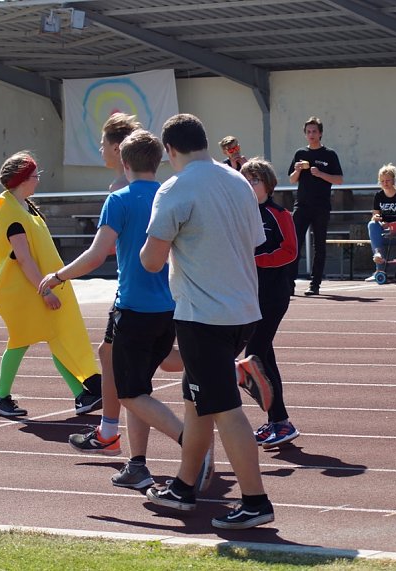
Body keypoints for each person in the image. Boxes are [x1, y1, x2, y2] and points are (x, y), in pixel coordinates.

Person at [40, 130, 199, 490]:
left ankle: (191, 444)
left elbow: (97, 254)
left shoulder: (120, 199)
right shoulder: (169, 195)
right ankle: (136, 462)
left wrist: (58, 275)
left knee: (131, 392)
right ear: (158, 160)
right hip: (168, 306)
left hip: (135, 306)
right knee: (135, 383)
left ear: (124, 163)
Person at [140, 113, 274, 530]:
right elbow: (255, 239)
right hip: (243, 310)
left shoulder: (175, 188)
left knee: (223, 409)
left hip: (204, 316)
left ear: (170, 150)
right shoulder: (237, 181)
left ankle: (255, 501)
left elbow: (152, 259)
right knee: (195, 401)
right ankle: (183, 486)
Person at [0, 151, 102, 418]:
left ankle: (81, 395)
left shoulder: (24, 207)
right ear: (23, 179)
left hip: (31, 287)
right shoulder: (12, 214)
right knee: (20, 341)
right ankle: (0, 398)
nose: (38, 180)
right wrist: (45, 289)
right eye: (35, 175)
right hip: (20, 292)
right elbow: (23, 259)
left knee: (54, 337)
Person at [66, 112, 142, 455]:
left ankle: (232, 370)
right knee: (113, 356)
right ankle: (109, 431)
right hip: (150, 282)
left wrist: (58, 276)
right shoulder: (151, 184)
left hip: (138, 287)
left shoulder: (120, 190)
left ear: (116, 147)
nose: (99, 149)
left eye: (101, 143)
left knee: (139, 367)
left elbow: (103, 250)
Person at [238, 158, 300, 448]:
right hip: (250, 294)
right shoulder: (242, 212)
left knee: (256, 354)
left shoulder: (279, 213)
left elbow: (290, 251)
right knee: (265, 356)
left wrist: (256, 261)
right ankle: (278, 422)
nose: (249, 186)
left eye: (254, 180)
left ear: (267, 184)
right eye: (245, 180)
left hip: (274, 293)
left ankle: (281, 421)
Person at [287, 116, 343, 296]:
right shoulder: (300, 154)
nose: (311, 134)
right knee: (295, 244)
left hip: (321, 206)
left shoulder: (329, 154)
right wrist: (297, 170)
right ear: (305, 134)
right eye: (308, 132)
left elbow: (339, 180)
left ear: (320, 134)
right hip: (301, 205)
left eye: (314, 131)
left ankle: (315, 284)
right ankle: (289, 284)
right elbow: (291, 179)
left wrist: (320, 174)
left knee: (319, 246)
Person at [366, 163, 396, 282]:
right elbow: (375, 215)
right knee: (372, 224)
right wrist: (377, 217)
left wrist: (392, 225)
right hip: (383, 233)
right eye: (382, 181)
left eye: (387, 180)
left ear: (393, 180)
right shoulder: (378, 196)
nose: (385, 183)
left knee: (375, 236)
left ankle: (379, 269)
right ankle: (378, 260)